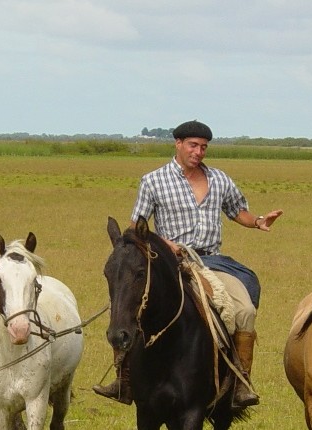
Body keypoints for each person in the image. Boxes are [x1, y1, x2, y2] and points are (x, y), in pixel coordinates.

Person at [93, 119, 283, 410]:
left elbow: (237, 211)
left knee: (244, 311)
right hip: (169, 264)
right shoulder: (153, 181)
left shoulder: (220, 179)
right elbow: (135, 231)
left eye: (204, 147)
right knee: (131, 306)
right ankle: (125, 377)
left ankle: (240, 384)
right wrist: (162, 242)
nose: (199, 152)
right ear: (178, 144)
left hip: (211, 262)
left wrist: (257, 222)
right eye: (193, 145)